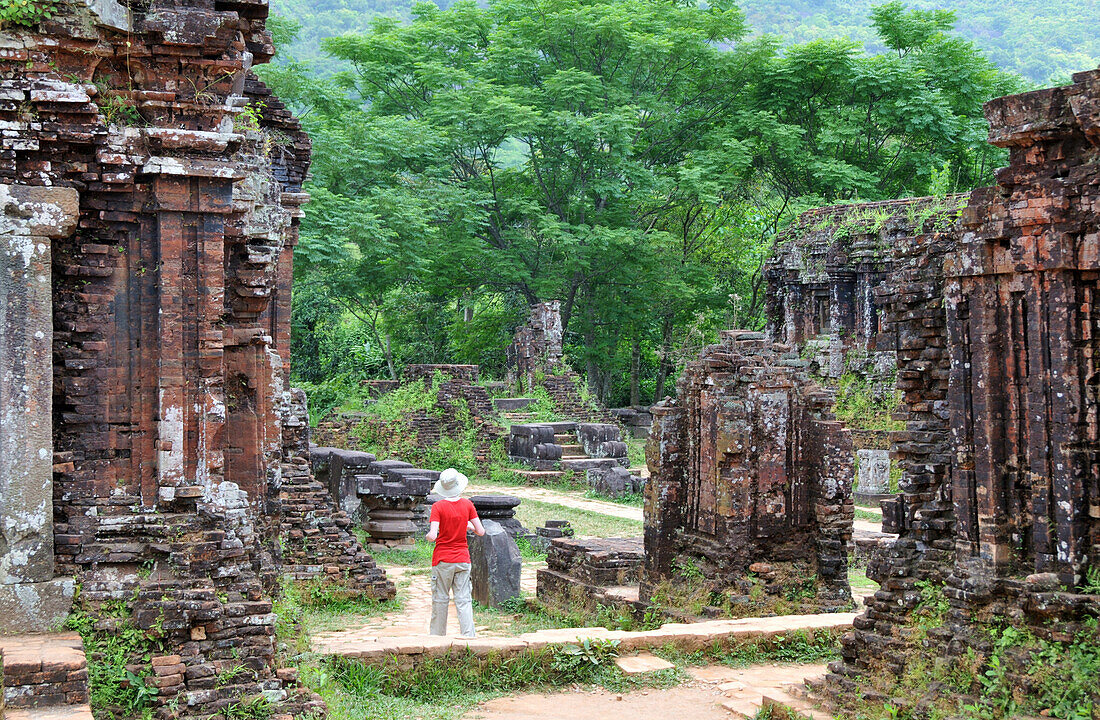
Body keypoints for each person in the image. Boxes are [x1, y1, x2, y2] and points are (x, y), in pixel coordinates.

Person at [425, 467, 485, 637]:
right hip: (462, 559)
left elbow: (433, 535)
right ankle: (469, 636)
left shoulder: (438, 507)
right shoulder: (467, 505)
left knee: (440, 600)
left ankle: (437, 638)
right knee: (464, 600)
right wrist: (468, 526)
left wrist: (429, 536)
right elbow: (480, 531)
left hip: (443, 560)